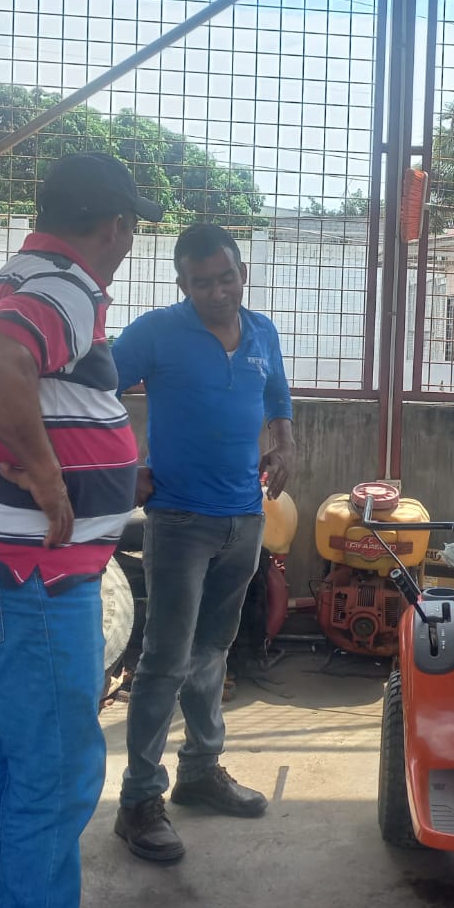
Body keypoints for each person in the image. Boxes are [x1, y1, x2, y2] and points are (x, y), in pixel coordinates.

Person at [0, 152, 162, 908]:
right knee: (57, 774)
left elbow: (15, 369)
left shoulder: (20, 278)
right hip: (27, 579)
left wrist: (92, 466)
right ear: (116, 227)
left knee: (0, 761)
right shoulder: (64, 285)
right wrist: (49, 473)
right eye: (131, 230)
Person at [113, 222, 296, 862]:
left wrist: (285, 443)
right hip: (178, 521)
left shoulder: (263, 332)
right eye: (201, 283)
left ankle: (198, 771)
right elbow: (91, 393)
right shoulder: (155, 333)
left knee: (213, 651)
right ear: (182, 283)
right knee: (164, 660)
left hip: (244, 517)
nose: (217, 292)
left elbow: (277, 396)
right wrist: (122, 468)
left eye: (226, 278)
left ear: (242, 272)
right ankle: (138, 801)